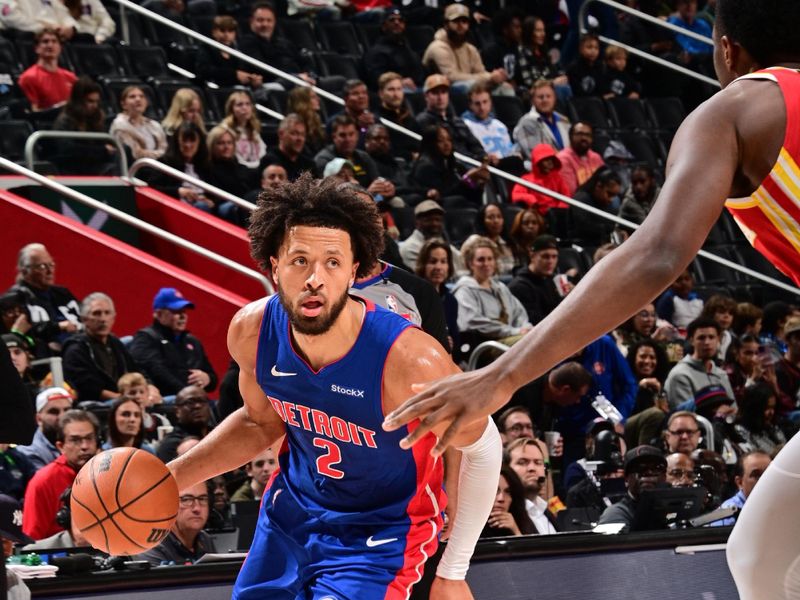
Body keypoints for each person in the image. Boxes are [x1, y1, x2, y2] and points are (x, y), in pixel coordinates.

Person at [166, 174, 501, 598]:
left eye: (332, 262)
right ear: (274, 266)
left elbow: (484, 445)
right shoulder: (251, 332)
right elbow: (259, 424)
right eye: (299, 260)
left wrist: (453, 569)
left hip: (380, 534)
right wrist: (169, 478)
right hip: (290, 517)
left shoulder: (409, 360)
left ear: (353, 272)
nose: (314, 279)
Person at [22, 409, 98, 539]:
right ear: (60, 446)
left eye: (89, 438)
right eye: (75, 440)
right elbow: (31, 541)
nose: (85, 446)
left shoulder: (110, 474)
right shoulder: (43, 481)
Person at [128, 287, 218, 397]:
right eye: (176, 311)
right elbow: (158, 373)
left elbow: (213, 378)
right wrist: (186, 393)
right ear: (159, 314)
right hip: (167, 400)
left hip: (194, 399)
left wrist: (207, 378)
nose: (182, 316)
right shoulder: (146, 338)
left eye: (184, 311)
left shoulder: (193, 342)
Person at [453, 237, 531, 348]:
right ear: (470, 264)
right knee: (529, 343)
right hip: (487, 345)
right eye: (481, 259)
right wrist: (514, 331)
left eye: (490, 259)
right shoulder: (465, 290)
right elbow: (472, 322)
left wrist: (525, 328)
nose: (486, 263)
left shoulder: (501, 288)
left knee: (536, 338)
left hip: (511, 338)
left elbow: (519, 313)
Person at [62, 292, 139, 402]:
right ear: (84, 319)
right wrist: (123, 399)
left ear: (114, 317)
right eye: (97, 313)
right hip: (95, 404)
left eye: (107, 313)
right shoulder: (75, 348)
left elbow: (135, 370)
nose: (103, 319)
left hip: (122, 399)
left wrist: (149, 388)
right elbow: (85, 387)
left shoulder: (114, 342)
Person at [422, 3, 511, 96]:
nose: (461, 26)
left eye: (464, 21)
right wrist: (489, 77)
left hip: (467, 89)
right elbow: (452, 77)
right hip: (442, 92)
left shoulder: (470, 49)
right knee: (467, 86)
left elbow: (480, 72)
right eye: (455, 21)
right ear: (446, 24)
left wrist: (494, 78)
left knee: (504, 87)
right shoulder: (437, 47)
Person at [8, 243, 81, 355]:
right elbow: (21, 332)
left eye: (51, 265)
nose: (50, 271)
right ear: (24, 271)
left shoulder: (62, 293)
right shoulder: (15, 299)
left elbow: (86, 318)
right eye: (42, 267)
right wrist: (58, 327)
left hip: (81, 349)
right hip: (47, 360)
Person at [135, 481, 217, 566]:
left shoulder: (205, 539)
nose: (197, 508)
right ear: (168, 505)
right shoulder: (152, 546)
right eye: (186, 499)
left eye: (202, 499)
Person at [409, 125, 488, 209]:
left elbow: (469, 196)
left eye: (449, 140)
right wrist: (467, 179)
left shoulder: (455, 165)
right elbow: (443, 195)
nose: (447, 144)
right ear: (431, 143)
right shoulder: (425, 166)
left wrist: (478, 185)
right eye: (441, 141)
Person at [238, 2, 315, 87]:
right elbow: (263, 68)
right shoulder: (247, 42)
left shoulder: (284, 42)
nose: (265, 24)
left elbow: (303, 60)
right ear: (251, 21)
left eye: (269, 20)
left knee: (330, 83)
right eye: (260, 20)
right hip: (273, 82)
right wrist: (296, 77)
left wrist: (309, 74)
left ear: (274, 22)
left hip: (299, 80)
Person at [51, 76, 116, 175]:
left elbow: (104, 143)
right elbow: (67, 149)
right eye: (90, 101)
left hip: (94, 163)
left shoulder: (96, 118)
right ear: (78, 101)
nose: (95, 106)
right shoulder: (64, 120)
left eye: (97, 102)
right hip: (73, 167)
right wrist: (102, 150)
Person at [664, 317, 734, 408]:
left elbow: (733, 410)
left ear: (718, 340)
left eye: (711, 337)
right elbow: (685, 416)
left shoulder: (721, 374)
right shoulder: (680, 375)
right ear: (691, 341)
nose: (707, 342)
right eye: (701, 338)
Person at [415, 74, 486, 161]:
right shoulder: (423, 121)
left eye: (443, 92)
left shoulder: (457, 121)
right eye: (435, 93)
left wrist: (484, 159)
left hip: (473, 163)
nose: (440, 97)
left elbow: (476, 146)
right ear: (426, 96)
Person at [596, 446, 666, 532]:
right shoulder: (614, 513)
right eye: (640, 468)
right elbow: (616, 544)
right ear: (626, 479)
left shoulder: (676, 505)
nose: (649, 472)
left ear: (665, 476)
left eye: (656, 468)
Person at [154, 121, 213, 210]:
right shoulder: (164, 163)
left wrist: (210, 201)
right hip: (177, 209)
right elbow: (154, 188)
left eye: (192, 141)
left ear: (199, 142)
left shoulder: (205, 165)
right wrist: (179, 191)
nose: (188, 145)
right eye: (184, 141)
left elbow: (216, 192)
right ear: (177, 142)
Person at [508, 234, 565, 326]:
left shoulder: (553, 280)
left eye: (554, 257)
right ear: (532, 256)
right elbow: (534, 321)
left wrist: (570, 297)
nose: (551, 261)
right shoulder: (520, 286)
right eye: (545, 256)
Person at [196, 16, 263, 93]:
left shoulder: (237, 52)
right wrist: (234, 74)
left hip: (237, 89)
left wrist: (252, 79)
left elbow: (244, 73)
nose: (226, 34)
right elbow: (204, 71)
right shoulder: (206, 48)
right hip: (216, 90)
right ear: (214, 32)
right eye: (222, 30)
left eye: (230, 31)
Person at [362, 9, 425, 91]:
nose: (397, 22)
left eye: (400, 20)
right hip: (393, 91)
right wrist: (400, 82)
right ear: (384, 26)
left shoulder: (409, 50)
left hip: (416, 89)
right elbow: (377, 79)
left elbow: (420, 74)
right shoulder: (375, 52)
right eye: (392, 20)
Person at [505, 437, 558, 534]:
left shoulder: (547, 512)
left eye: (538, 463)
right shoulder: (506, 514)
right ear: (507, 469)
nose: (532, 468)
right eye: (522, 462)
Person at [415, 240, 459, 351]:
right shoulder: (412, 296)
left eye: (443, 261)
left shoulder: (451, 300)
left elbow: (455, 335)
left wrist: (452, 343)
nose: (438, 267)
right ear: (423, 265)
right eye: (433, 261)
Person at [18, 28, 76, 112]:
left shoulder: (70, 77)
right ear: (37, 48)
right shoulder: (28, 77)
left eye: (54, 41)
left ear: (60, 48)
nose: (50, 45)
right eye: (45, 41)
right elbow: (34, 112)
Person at [16, 387, 73, 471]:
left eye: (67, 410)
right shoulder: (28, 452)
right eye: (54, 412)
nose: (62, 416)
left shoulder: (83, 442)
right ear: (38, 419)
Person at [513, 79, 572, 159]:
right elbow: (537, 156)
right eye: (540, 97)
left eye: (548, 96)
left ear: (554, 99)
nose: (545, 100)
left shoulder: (564, 120)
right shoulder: (526, 123)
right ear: (533, 100)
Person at [711, 450, 771, 527]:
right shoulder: (724, 517)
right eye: (756, 475)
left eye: (769, 473)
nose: (765, 479)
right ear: (739, 482)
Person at [156, 386, 214, 463]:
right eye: (190, 402)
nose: (197, 406)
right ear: (177, 411)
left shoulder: (216, 434)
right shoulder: (170, 445)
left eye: (202, 401)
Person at [109, 85, 167, 161]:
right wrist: (156, 155)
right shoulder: (119, 125)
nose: (138, 99)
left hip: (156, 165)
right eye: (132, 97)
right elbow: (135, 153)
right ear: (123, 104)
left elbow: (164, 149)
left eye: (142, 96)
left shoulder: (154, 125)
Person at [570, 167, 623, 248]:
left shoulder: (607, 204)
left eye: (614, 196)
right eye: (609, 194)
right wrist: (609, 228)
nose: (611, 200)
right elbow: (583, 228)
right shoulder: (581, 199)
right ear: (598, 186)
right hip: (583, 245)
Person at [510, 143, 570, 214]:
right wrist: (530, 199)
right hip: (538, 215)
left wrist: (560, 210)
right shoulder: (526, 179)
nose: (550, 163)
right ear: (537, 162)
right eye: (546, 160)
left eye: (551, 159)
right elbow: (515, 195)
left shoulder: (556, 177)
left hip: (557, 214)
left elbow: (566, 195)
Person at [375, 71, 421, 162]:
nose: (396, 94)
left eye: (399, 89)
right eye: (391, 90)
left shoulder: (408, 117)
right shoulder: (378, 120)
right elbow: (386, 150)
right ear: (381, 93)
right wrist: (411, 156)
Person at [734, 382, 788, 456]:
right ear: (755, 409)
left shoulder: (771, 426)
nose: (771, 412)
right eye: (767, 408)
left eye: (773, 407)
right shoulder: (740, 431)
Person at [461, 203, 514, 277]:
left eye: (499, 217)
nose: (496, 221)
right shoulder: (474, 241)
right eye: (491, 217)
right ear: (482, 221)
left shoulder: (507, 242)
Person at [260, 113, 317, 182]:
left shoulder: (309, 164)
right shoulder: (269, 161)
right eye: (294, 133)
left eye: (302, 134)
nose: (299, 139)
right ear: (281, 134)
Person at [481, 466, 535, 538]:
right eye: (495, 490)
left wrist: (516, 531)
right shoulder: (467, 526)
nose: (501, 499)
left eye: (508, 492)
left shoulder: (523, 522)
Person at [556, 122, 605, 195]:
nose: (584, 138)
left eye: (588, 135)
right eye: (579, 134)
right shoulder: (563, 159)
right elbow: (572, 192)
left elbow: (606, 182)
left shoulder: (595, 157)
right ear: (570, 137)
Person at [222, 91, 266, 171]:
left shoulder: (253, 129)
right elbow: (236, 160)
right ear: (231, 109)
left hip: (256, 171)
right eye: (239, 105)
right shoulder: (225, 130)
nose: (245, 108)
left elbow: (262, 153)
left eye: (248, 104)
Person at [286, 87, 325, 158]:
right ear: (303, 102)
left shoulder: (315, 120)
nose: (318, 99)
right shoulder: (294, 125)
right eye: (313, 97)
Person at [566, 33, 605, 98]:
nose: (593, 51)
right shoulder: (573, 68)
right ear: (581, 49)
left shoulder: (601, 67)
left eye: (596, 48)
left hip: (597, 104)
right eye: (589, 47)